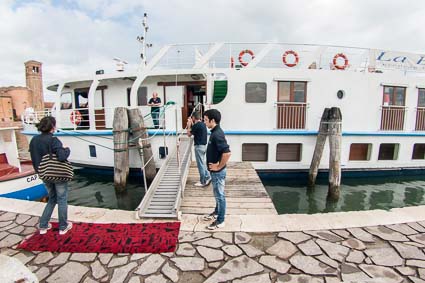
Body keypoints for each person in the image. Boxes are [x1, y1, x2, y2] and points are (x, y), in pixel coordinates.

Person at [29, 116, 73, 235]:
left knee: (52, 198)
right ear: (52, 127)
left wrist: (40, 172)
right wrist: (67, 149)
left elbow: (33, 158)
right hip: (57, 174)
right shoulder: (53, 140)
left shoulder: (34, 140)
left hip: (43, 174)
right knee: (62, 199)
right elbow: (62, 157)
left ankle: (43, 225)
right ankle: (63, 227)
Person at [202, 109, 231, 230]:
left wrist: (218, 167)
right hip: (214, 172)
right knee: (217, 194)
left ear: (212, 120)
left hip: (218, 172)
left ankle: (221, 220)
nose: (204, 122)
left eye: (206, 120)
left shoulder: (217, 134)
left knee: (220, 195)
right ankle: (216, 212)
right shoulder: (214, 132)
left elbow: (227, 153)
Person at [187, 111, 211, 187]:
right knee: (202, 163)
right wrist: (192, 125)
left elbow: (189, 134)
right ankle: (208, 176)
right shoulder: (203, 124)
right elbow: (196, 129)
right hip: (204, 146)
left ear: (193, 118)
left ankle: (203, 181)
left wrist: (188, 125)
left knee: (200, 164)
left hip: (198, 147)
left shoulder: (196, 125)